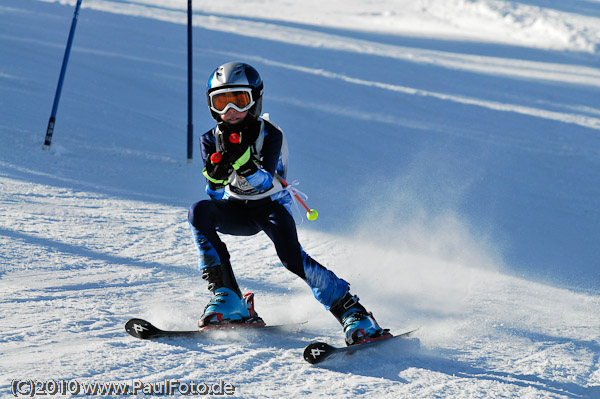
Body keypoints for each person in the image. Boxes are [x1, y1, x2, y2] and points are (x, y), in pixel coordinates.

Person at [188, 61, 388, 345]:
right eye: (220, 102)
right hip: (237, 210)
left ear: (255, 100)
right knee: (199, 212)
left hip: (269, 208)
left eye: (239, 100)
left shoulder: (270, 134)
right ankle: (229, 297)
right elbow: (215, 196)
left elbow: (264, 181)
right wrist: (217, 177)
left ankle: (351, 311)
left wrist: (243, 164)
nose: (229, 111)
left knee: (292, 259)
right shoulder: (210, 139)